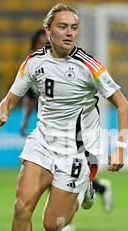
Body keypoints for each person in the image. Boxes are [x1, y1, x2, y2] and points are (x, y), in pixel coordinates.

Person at [0, 3, 128, 231]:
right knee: (20, 206)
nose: (69, 33)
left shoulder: (90, 66)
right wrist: (2, 113)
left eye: (74, 27)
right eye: (63, 27)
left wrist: (119, 147)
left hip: (77, 150)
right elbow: (10, 97)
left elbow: (122, 103)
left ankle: (85, 188)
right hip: (42, 141)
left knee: (53, 225)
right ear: (48, 30)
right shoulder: (32, 63)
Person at [20, 28, 114, 218]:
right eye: (37, 44)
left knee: (67, 173)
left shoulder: (74, 67)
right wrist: (24, 121)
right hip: (49, 130)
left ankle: (94, 189)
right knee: (54, 172)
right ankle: (90, 190)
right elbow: (30, 99)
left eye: (43, 42)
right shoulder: (36, 67)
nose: (41, 46)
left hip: (76, 132)